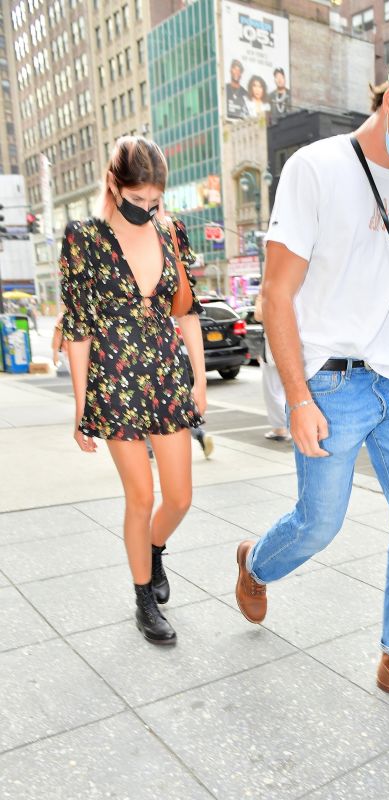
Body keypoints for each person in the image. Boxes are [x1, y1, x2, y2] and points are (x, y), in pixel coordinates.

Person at [235, 47, 389, 720]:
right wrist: (298, 399)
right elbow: (276, 297)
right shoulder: (316, 169)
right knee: (318, 525)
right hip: (330, 383)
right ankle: (254, 563)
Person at [60, 135, 206, 646]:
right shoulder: (83, 238)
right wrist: (81, 408)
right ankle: (145, 598)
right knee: (140, 495)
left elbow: (186, 310)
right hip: (114, 378)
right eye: (137, 199)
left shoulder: (171, 233)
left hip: (166, 374)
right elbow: (77, 328)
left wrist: (200, 380)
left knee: (181, 497)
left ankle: (154, 549)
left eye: (154, 201)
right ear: (113, 185)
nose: (146, 209)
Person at [255, 289, 291, 442]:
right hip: (289, 345)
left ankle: (282, 427)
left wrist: (259, 297)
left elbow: (259, 314)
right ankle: (283, 426)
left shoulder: (271, 289)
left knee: (273, 391)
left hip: (275, 347)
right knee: (285, 390)